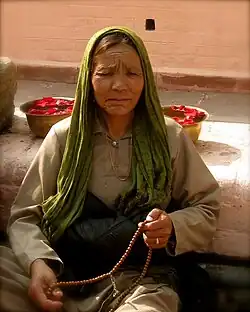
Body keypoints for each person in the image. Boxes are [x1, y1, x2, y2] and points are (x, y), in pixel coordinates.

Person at [0, 26, 220, 312]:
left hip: (139, 281)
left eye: (131, 73)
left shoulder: (169, 137)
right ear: (87, 79)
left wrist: (173, 227)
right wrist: (38, 263)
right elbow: (24, 217)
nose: (119, 85)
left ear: (146, 80)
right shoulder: (65, 137)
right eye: (105, 73)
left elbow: (207, 206)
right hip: (63, 273)